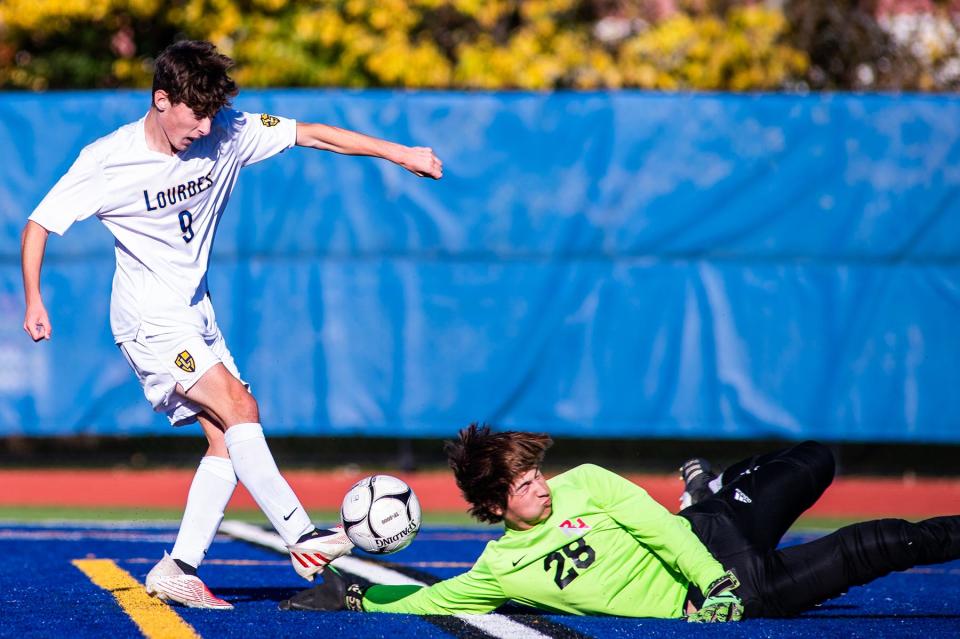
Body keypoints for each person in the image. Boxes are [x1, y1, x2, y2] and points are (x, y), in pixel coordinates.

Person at [21, 40, 441, 609]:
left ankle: (178, 567)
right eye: (195, 115)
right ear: (160, 99)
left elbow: (313, 133)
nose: (203, 128)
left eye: (211, 116)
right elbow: (39, 224)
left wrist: (399, 152)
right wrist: (34, 300)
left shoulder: (228, 129)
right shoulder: (107, 159)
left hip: (196, 313)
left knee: (226, 437)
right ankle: (302, 536)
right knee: (240, 407)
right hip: (149, 318)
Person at [282, 424, 960, 621]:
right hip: (746, 592)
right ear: (494, 507)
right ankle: (707, 490)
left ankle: (711, 486)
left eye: (533, 471)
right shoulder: (498, 568)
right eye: (521, 484)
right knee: (886, 542)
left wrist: (711, 577)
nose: (538, 485)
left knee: (815, 457)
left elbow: (659, 528)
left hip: (713, 540)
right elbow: (433, 599)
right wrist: (358, 593)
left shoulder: (586, 480)